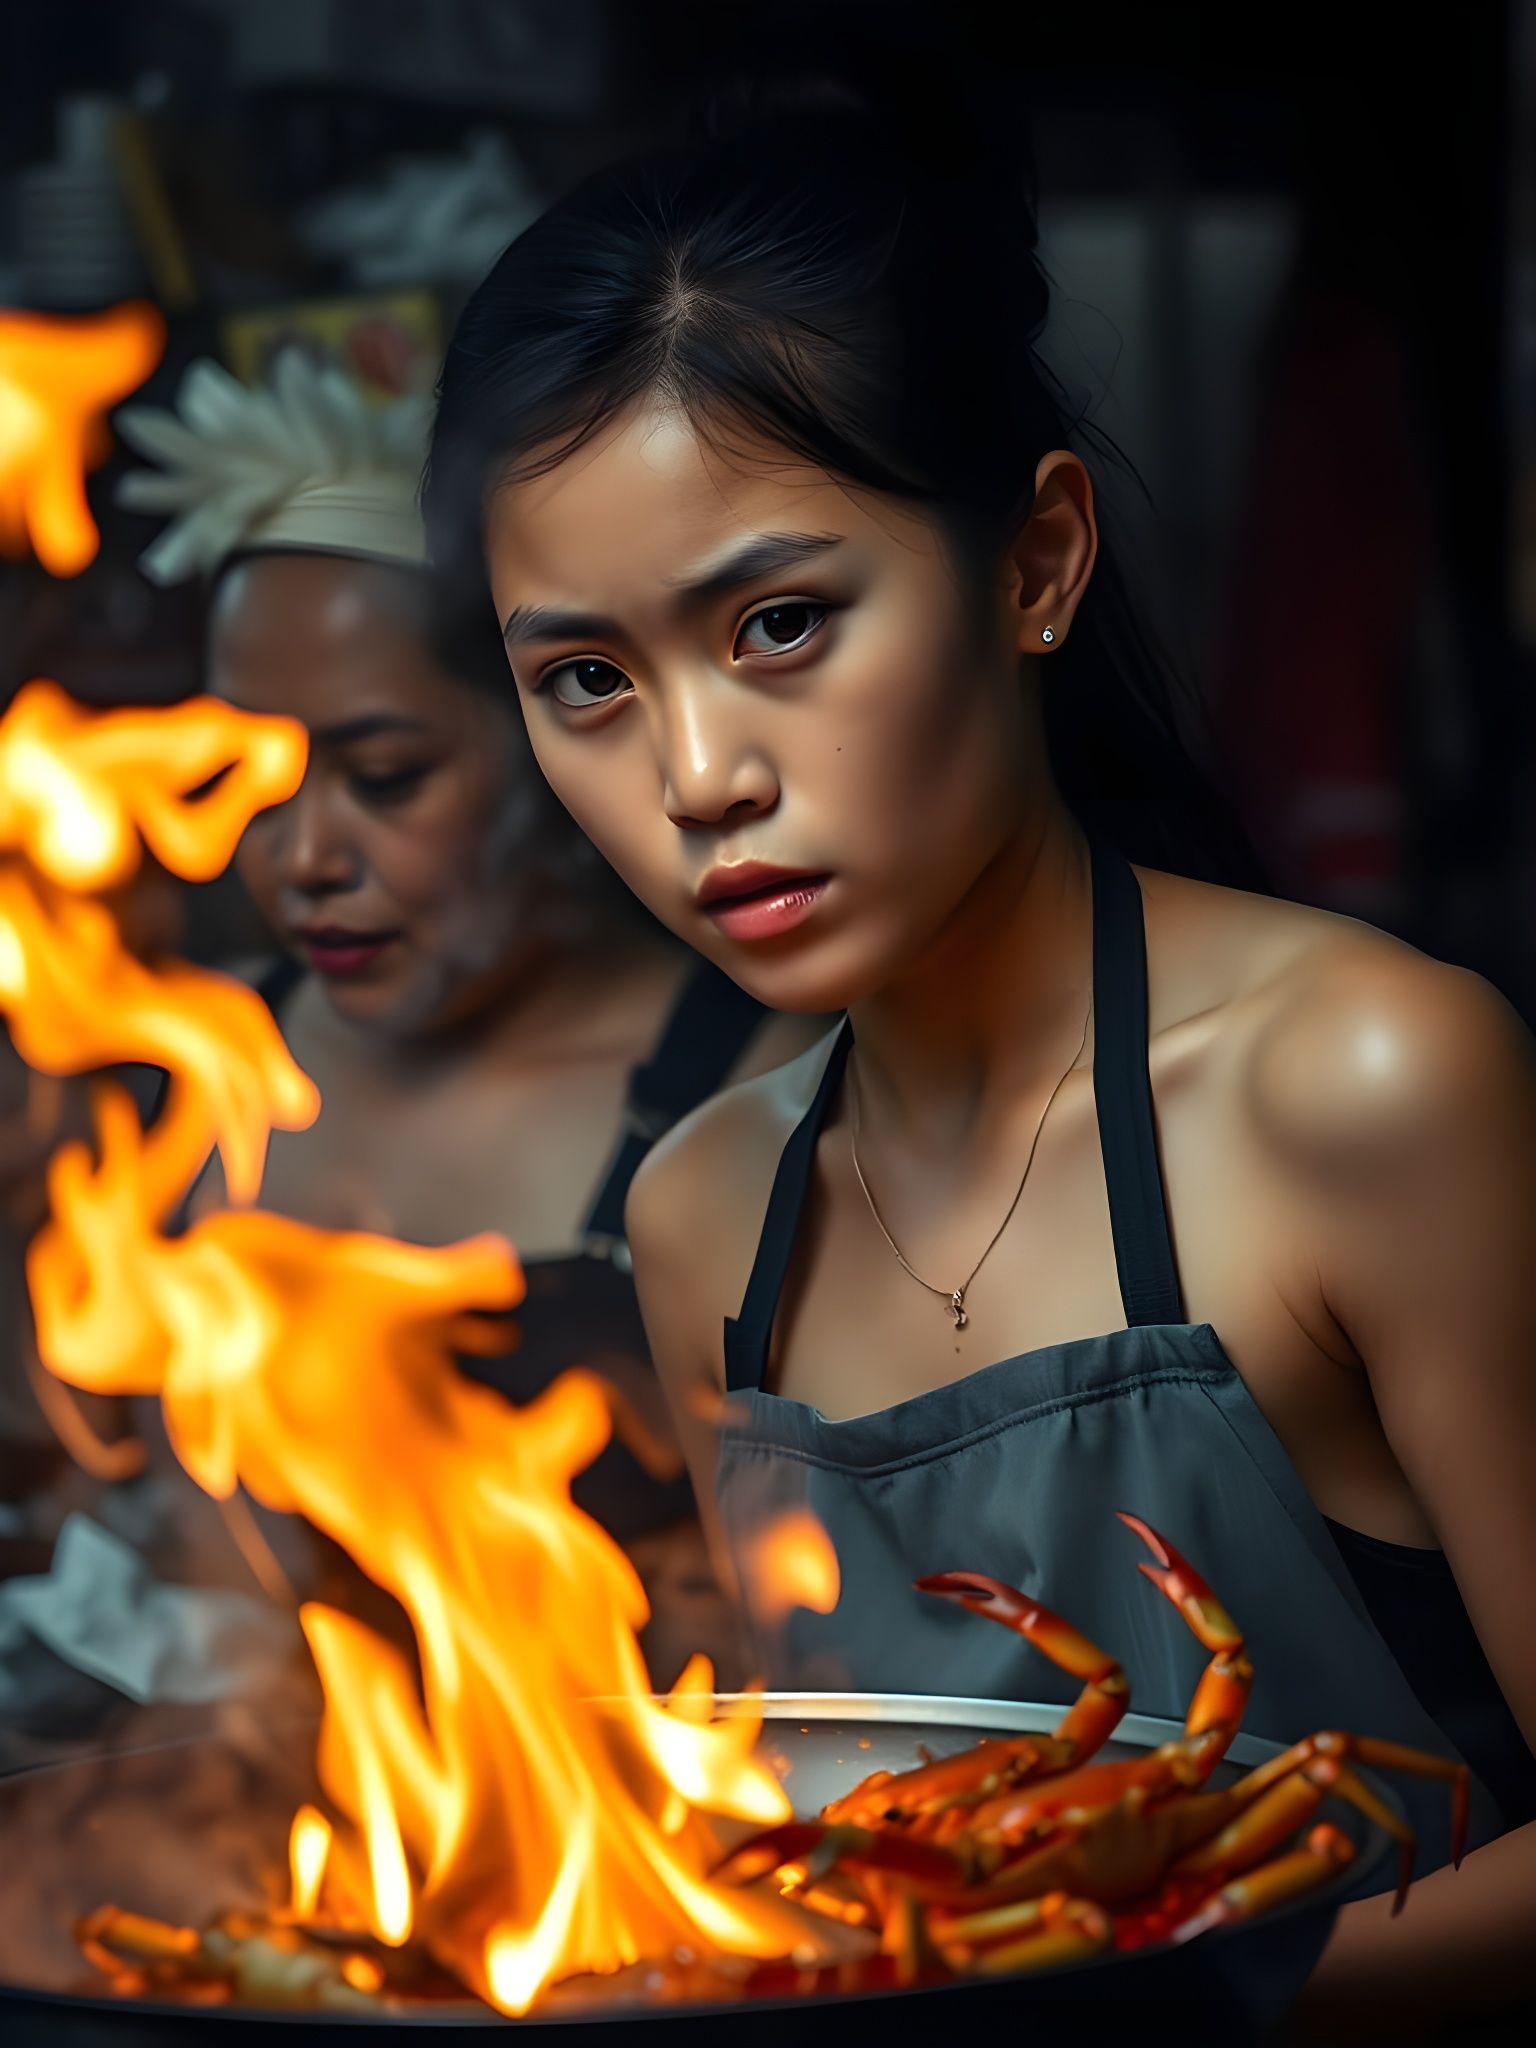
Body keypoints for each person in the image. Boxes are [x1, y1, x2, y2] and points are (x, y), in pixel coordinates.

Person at [423, 53, 1536, 2014]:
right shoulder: (708, 1224)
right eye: (585, 679)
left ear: (1032, 563)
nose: (696, 777)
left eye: (779, 624)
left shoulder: (1360, 1088)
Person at [113, 351, 819, 1677]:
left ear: (557, 741)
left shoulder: (749, 1090)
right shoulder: (190, 1076)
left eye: (386, 777)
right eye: (246, 777)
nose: (304, 854)